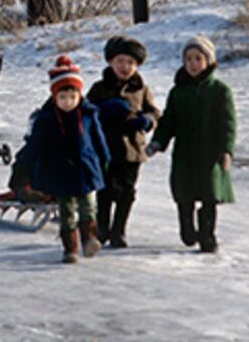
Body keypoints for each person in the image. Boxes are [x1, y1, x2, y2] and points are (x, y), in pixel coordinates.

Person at [147, 35, 236, 253]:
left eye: (198, 58)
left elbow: (228, 123)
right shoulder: (178, 92)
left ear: (208, 61)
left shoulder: (219, 91)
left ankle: (208, 235)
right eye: (188, 59)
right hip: (185, 154)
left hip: (210, 153)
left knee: (209, 196)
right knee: (184, 194)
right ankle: (187, 229)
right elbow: (169, 121)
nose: (193, 64)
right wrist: (158, 141)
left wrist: (226, 150)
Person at [16, 55, 110, 263]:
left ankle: (89, 240)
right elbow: (35, 146)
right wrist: (27, 168)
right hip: (60, 172)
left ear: (79, 95)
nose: (67, 102)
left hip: (85, 169)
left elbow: (98, 138)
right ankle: (70, 249)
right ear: (54, 96)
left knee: (88, 207)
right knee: (67, 212)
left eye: (72, 96)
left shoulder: (88, 114)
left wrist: (105, 158)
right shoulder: (46, 119)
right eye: (62, 97)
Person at [86, 35, 160, 248]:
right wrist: (102, 110)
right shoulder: (100, 88)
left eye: (130, 63)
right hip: (106, 147)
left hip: (132, 150)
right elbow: (86, 111)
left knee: (127, 191)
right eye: (120, 61)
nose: (125, 67)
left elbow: (154, 112)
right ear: (110, 62)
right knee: (105, 189)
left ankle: (119, 230)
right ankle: (102, 227)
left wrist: (146, 121)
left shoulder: (141, 89)